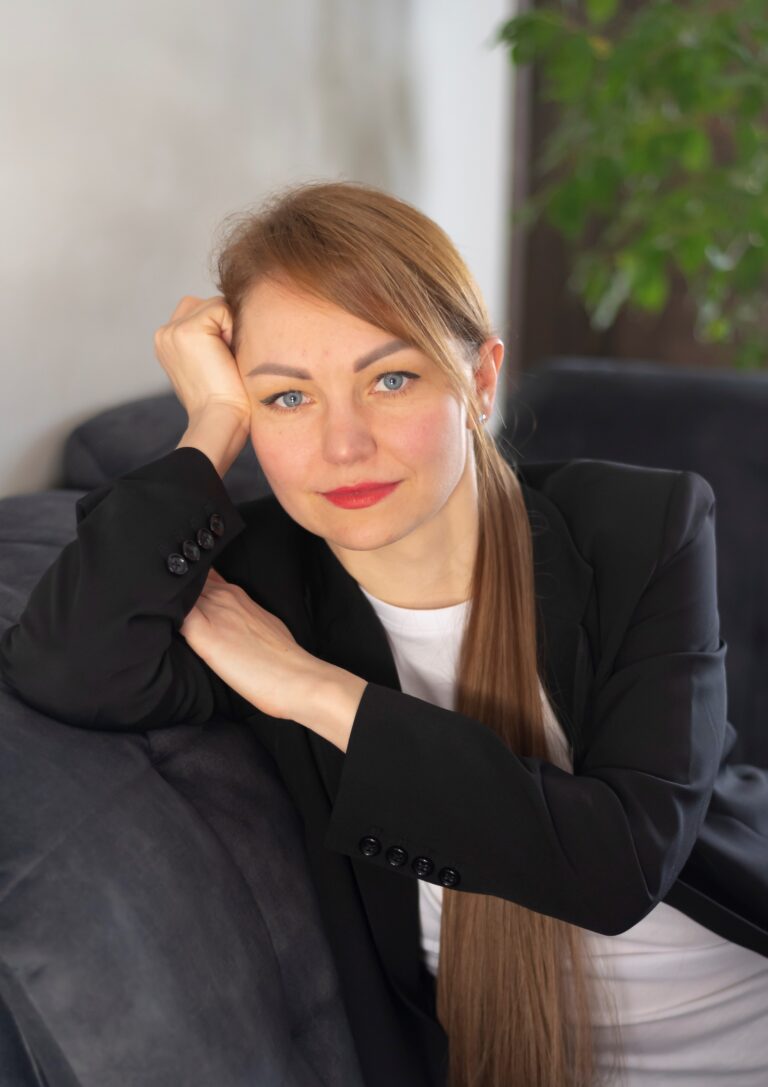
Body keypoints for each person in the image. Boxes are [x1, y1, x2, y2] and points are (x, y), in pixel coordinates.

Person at [1, 179, 766, 1087]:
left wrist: (316, 690)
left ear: (479, 380)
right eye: (287, 398)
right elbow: (68, 664)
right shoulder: (260, 579)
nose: (344, 445)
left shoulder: (641, 526)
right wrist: (212, 421)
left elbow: (615, 866)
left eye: (390, 378)